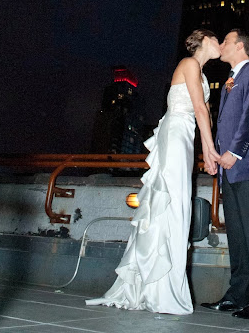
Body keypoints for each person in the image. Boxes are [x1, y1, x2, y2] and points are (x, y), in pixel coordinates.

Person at [86, 29, 221, 315]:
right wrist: (208, 151)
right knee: (169, 202)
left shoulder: (204, 74)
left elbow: (207, 113)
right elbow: (198, 107)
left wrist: (209, 149)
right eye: (216, 39)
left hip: (185, 137)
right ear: (205, 41)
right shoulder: (190, 63)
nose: (220, 43)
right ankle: (156, 287)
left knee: (179, 205)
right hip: (175, 134)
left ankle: (160, 283)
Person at [201, 29, 249, 320]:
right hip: (229, 171)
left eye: (225, 42)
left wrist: (236, 152)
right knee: (238, 236)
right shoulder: (229, 81)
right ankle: (238, 295)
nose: (221, 45)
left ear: (240, 46)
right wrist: (217, 159)